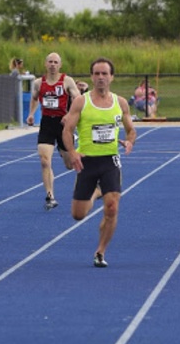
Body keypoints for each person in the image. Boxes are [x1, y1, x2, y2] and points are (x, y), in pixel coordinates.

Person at [61, 58, 137, 268]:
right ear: (92, 77)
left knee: (112, 208)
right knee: (78, 215)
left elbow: (131, 130)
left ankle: (100, 252)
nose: (101, 77)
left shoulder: (120, 103)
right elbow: (67, 130)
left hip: (110, 160)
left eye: (105, 74)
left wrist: (129, 142)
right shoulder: (81, 102)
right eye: (97, 74)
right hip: (87, 162)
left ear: (112, 77)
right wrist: (72, 152)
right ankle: (97, 191)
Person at [27, 52, 81, 210]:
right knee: (44, 161)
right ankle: (50, 196)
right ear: (45, 64)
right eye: (50, 62)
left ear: (60, 65)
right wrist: (31, 114)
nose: (52, 65)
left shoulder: (67, 81)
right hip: (47, 124)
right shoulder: (38, 83)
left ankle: (65, 149)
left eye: (55, 62)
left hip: (63, 125)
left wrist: (70, 116)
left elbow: (78, 100)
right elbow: (35, 98)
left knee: (70, 165)